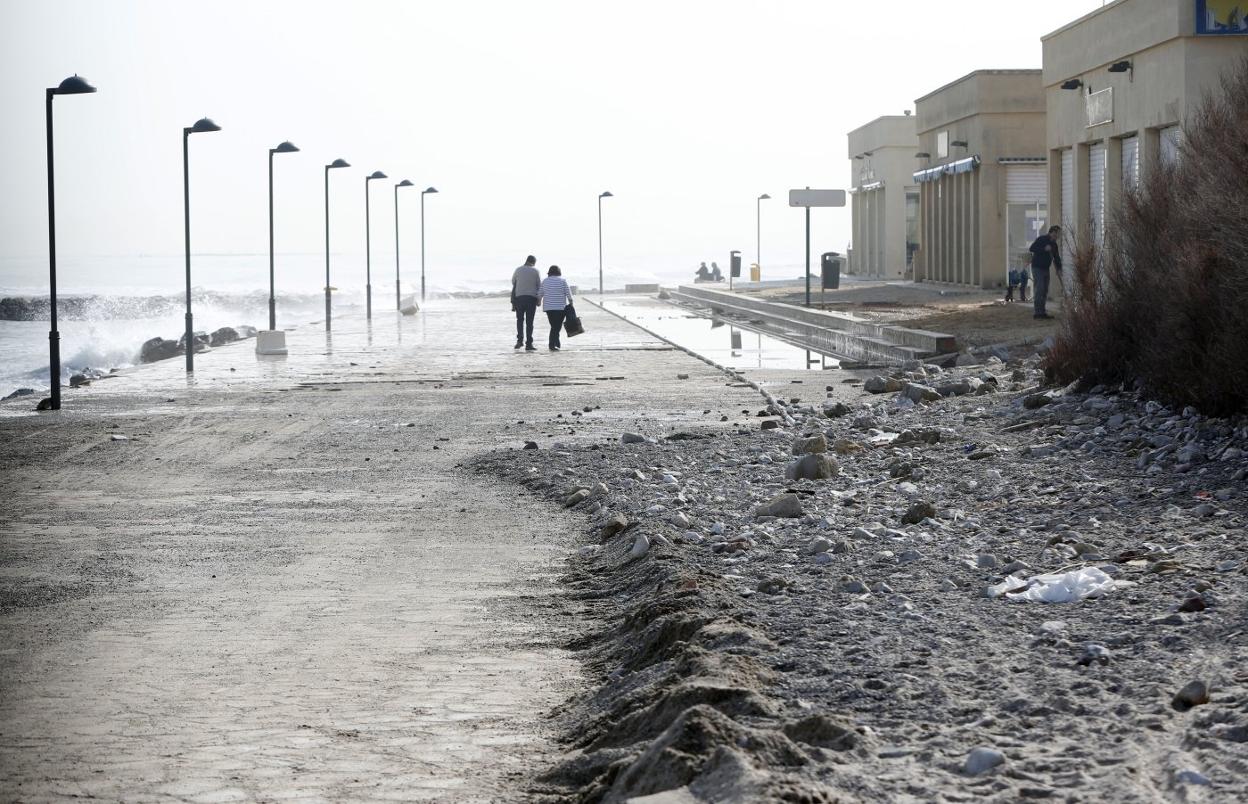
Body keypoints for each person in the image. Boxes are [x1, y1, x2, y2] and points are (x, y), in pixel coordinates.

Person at [1028, 225, 1063, 319]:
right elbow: (1032, 248)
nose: (1058, 236)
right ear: (1052, 232)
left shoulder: (1054, 245)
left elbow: (1056, 258)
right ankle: (1037, 313)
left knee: (1044, 290)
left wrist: (1059, 268)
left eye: (1059, 234)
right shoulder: (1042, 239)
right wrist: (1044, 249)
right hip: (1037, 268)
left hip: (1045, 268)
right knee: (1039, 289)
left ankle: (1042, 312)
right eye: (1057, 233)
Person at [539, 265, 572, 351]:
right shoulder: (562, 281)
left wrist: (538, 301)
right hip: (560, 308)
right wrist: (571, 303)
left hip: (549, 308)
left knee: (554, 326)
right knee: (556, 327)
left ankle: (556, 343)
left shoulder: (545, 281)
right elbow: (568, 293)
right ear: (559, 272)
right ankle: (552, 345)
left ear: (549, 272)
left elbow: (540, 293)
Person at [511, 255, 540, 351]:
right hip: (531, 299)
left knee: (520, 320)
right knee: (529, 322)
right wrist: (539, 299)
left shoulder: (518, 269)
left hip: (519, 298)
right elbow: (539, 285)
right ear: (533, 262)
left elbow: (513, 281)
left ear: (526, 261)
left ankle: (519, 341)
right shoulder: (536, 271)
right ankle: (529, 344)